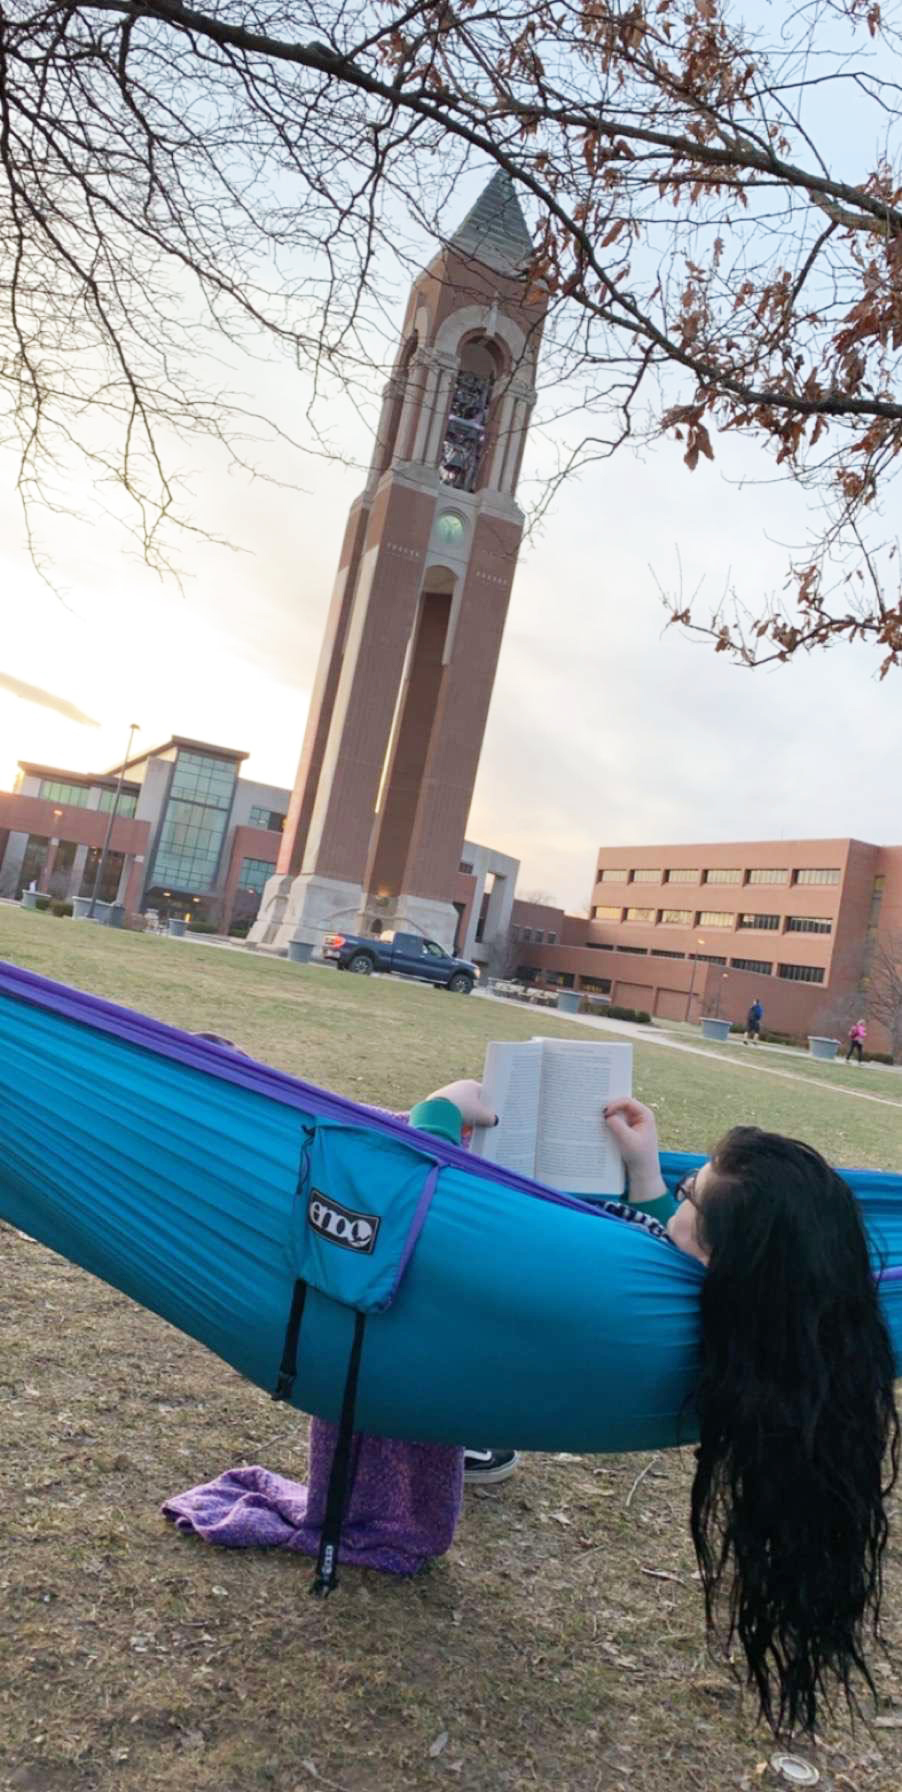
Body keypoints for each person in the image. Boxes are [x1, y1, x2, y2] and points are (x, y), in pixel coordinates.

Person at [603, 1094, 899, 1737]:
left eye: (689, 1193)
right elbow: (686, 1246)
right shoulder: (776, 1328)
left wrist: (437, 1115)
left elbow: (673, 1252)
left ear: (722, 1261)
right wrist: (650, 1175)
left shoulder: (639, 1303)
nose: (677, 1200)